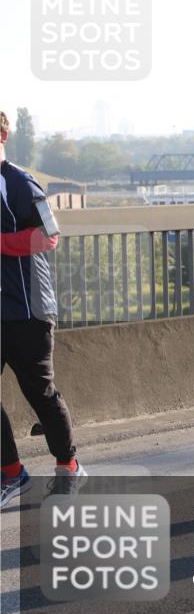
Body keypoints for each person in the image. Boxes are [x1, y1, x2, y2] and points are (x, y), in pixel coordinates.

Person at [1, 110, 87, 508]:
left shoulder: (18, 182)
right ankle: (12, 473)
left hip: (30, 311)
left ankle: (68, 466)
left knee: (41, 392)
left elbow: (49, 236)